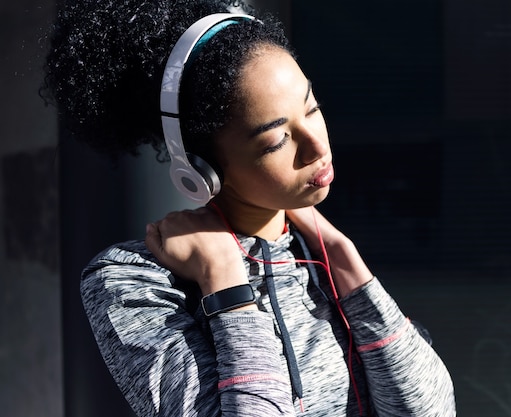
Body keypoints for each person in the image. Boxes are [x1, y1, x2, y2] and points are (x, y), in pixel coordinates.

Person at [44, 0, 456, 415]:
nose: (316, 146)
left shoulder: (322, 256)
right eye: (276, 141)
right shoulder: (133, 280)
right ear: (199, 168)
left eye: (312, 109)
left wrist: (347, 263)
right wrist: (225, 283)